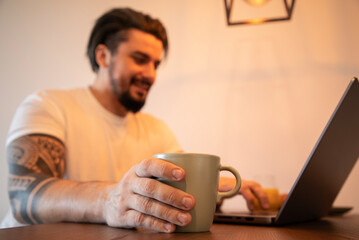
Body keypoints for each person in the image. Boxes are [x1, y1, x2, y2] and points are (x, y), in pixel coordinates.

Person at [2, 8, 270, 233]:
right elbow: (25, 195)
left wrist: (218, 188)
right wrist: (109, 199)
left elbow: (178, 195)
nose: (151, 74)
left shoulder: (157, 130)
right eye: (140, 60)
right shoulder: (46, 105)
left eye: (156, 64)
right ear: (103, 56)